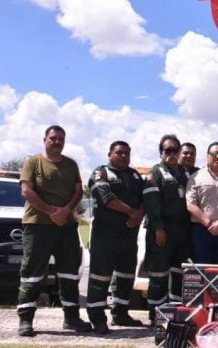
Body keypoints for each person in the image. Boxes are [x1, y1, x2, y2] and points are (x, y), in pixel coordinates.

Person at [17, 125, 91, 337]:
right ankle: (25, 319)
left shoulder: (70, 164)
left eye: (61, 138)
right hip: (38, 226)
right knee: (32, 274)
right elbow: (27, 191)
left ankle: (72, 318)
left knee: (69, 274)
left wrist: (66, 211)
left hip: (66, 227)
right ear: (45, 140)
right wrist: (51, 211)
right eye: (53, 138)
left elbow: (78, 191)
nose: (57, 141)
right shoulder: (33, 162)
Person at [85, 140, 146, 334]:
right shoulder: (101, 173)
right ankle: (97, 318)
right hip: (105, 236)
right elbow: (105, 197)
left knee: (126, 276)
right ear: (109, 154)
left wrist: (140, 214)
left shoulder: (135, 175)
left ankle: (121, 313)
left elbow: (145, 197)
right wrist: (132, 212)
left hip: (129, 236)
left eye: (127, 153)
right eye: (119, 153)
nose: (124, 156)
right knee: (100, 277)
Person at [142, 134, 192, 321]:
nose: (172, 154)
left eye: (175, 150)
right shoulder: (154, 173)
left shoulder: (186, 173)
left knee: (179, 274)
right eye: (167, 150)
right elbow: (151, 203)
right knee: (159, 274)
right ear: (161, 153)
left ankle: (175, 315)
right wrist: (158, 228)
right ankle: (156, 315)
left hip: (182, 232)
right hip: (162, 231)